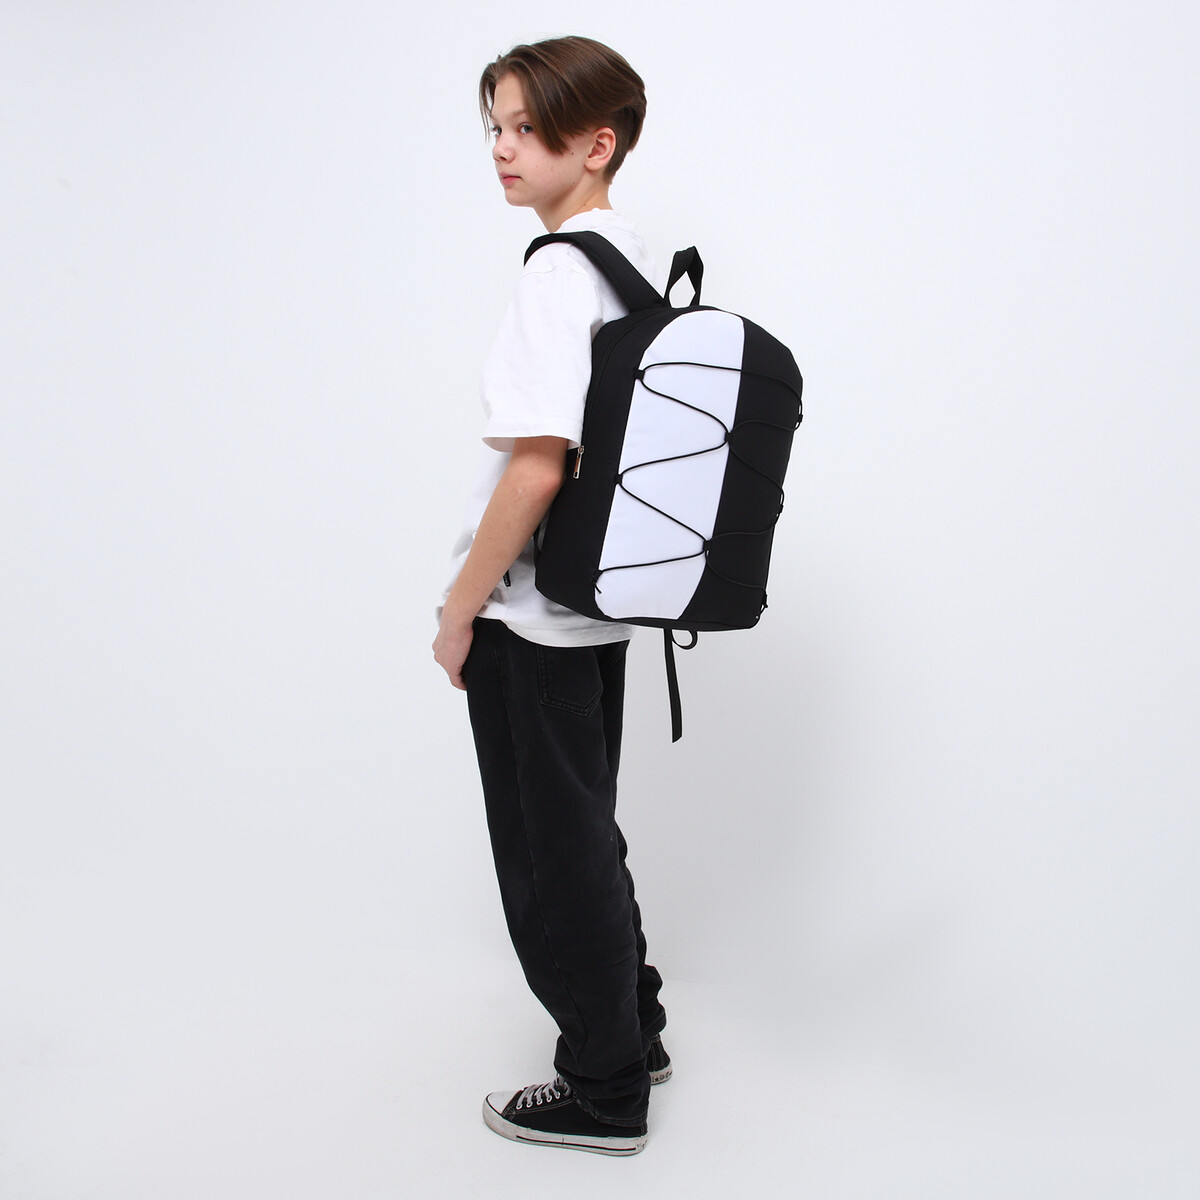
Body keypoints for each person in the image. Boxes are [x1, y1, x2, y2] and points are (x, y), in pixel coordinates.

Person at [432, 36, 669, 1156]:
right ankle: (637, 1031)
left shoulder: (557, 274)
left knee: (547, 856)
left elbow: (536, 470)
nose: (504, 148)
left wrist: (458, 612)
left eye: (529, 128)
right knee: (585, 834)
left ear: (597, 143)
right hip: (597, 606)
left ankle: (605, 1088)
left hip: (531, 618)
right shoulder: (633, 262)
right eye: (497, 126)